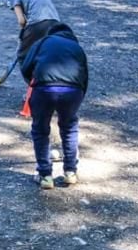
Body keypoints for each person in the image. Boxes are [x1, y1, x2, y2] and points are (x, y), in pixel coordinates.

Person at [14, 12, 88, 190]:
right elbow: (85, 77)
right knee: (69, 127)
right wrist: (78, 97)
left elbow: (25, 66)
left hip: (44, 88)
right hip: (73, 90)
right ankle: (70, 172)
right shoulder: (76, 47)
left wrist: (34, 81)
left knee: (40, 129)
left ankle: (45, 174)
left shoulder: (42, 43)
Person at [9, 0, 61, 66]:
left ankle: (31, 78)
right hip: (56, 23)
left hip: (37, 24)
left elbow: (21, 21)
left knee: (23, 56)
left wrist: (23, 35)